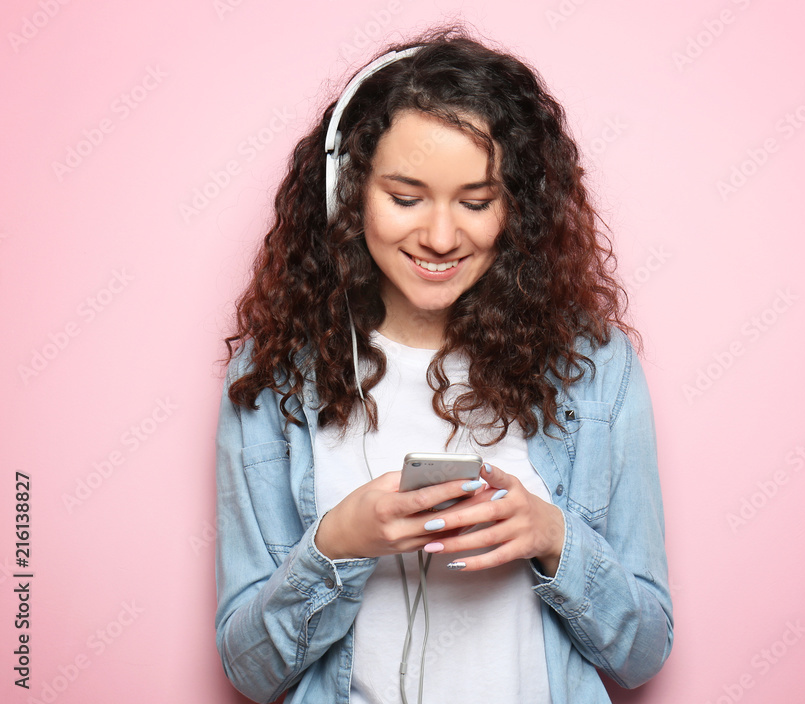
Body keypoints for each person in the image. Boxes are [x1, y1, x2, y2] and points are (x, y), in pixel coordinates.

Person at [214, 25, 673, 704]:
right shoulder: (276, 374)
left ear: (518, 207)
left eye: (476, 202)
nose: (438, 236)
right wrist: (337, 542)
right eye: (405, 198)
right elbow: (251, 673)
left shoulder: (594, 368)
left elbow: (642, 653)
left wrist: (552, 537)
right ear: (348, 190)